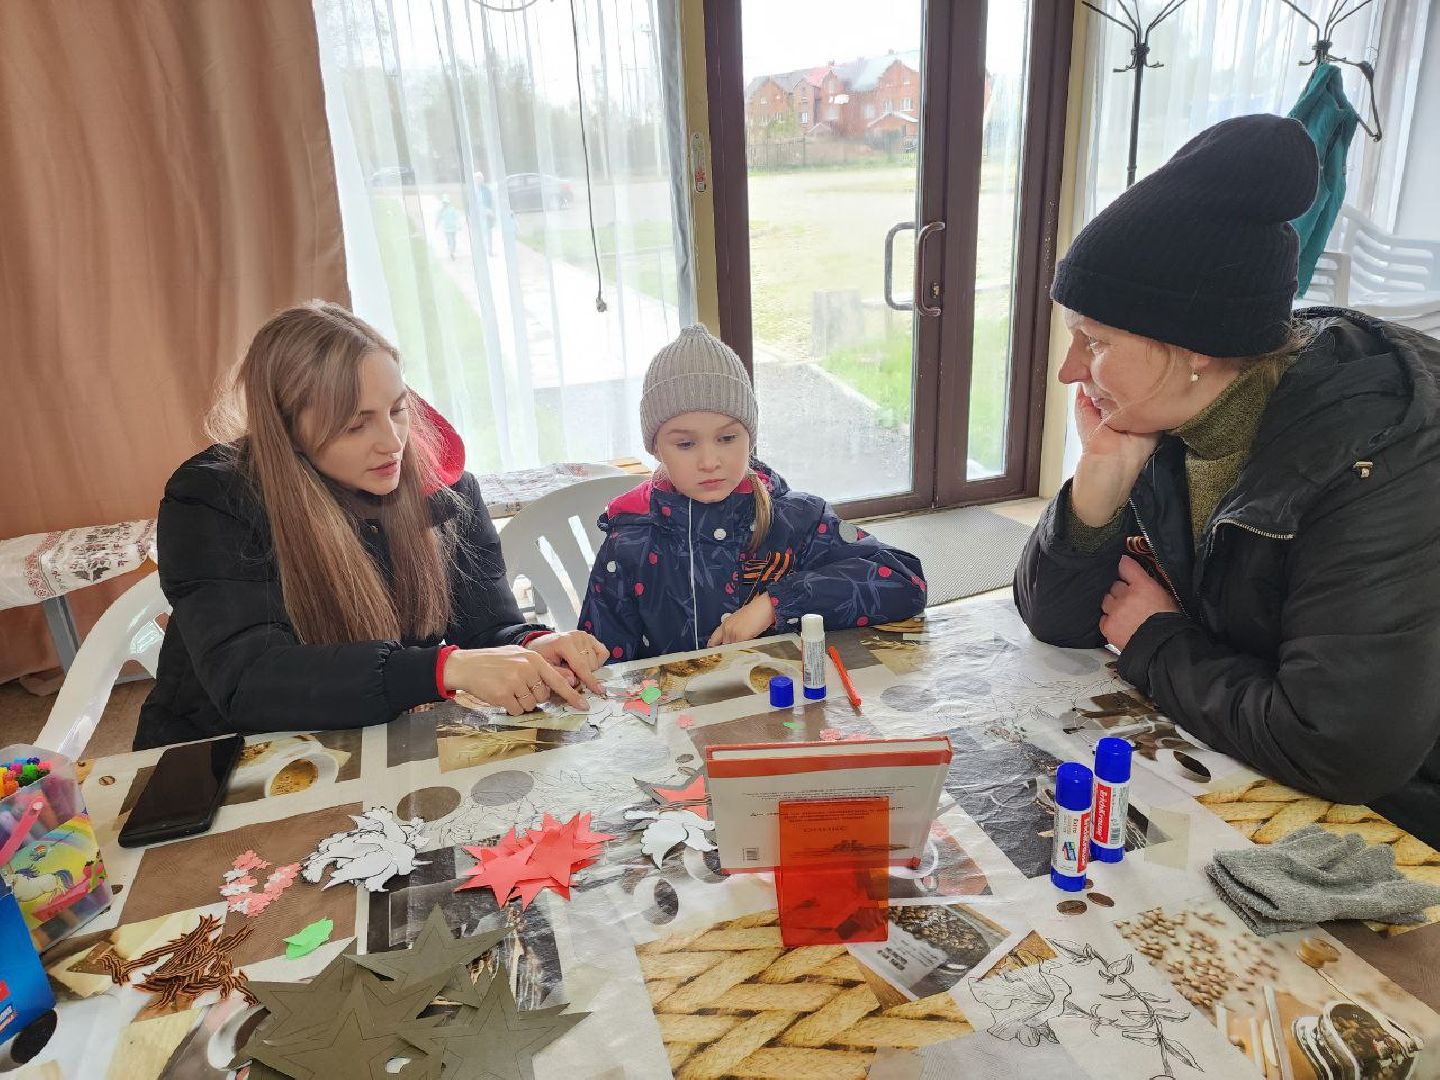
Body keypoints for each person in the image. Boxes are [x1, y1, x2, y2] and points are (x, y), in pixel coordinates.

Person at [1014, 115, 1440, 844]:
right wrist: (1102, 477)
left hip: (1396, 824)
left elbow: (1340, 745)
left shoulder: (1378, 463)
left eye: (1097, 341)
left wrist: (1157, 639)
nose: (1069, 371)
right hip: (1248, 751)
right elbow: (1059, 620)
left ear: (1195, 349)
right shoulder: (1176, 414)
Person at [137, 301, 609, 750]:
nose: (392, 444)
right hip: (219, 754)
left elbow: (487, 627)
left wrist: (534, 645)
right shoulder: (212, 501)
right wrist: (441, 670)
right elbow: (251, 681)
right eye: (355, 425)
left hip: (365, 740)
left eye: (397, 410)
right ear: (286, 431)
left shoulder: (442, 488)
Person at [579, 326, 927, 661]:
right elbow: (601, 664)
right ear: (655, 447)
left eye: (728, 438)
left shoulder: (799, 519)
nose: (710, 461)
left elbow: (905, 581)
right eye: (685, 443)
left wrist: (777, 602)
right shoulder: (629, 540)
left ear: (751, 436)